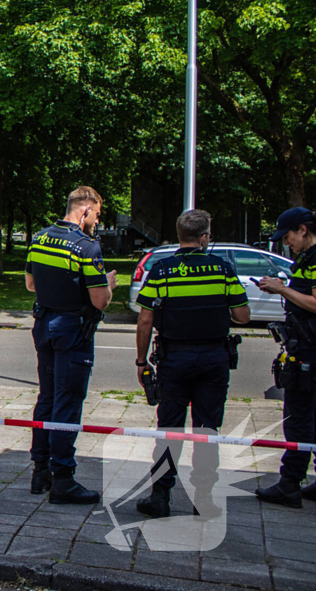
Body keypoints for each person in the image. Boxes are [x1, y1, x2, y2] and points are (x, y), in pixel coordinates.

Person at [133, 209, 251, 518]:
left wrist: (141, 361)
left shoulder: (161, 270)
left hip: (175, 360)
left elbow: (145, 321)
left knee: (169, 429)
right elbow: (242, 316)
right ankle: (204, 498)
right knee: (207, 429)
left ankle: (160, 497)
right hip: (214, 360)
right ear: (203, 238)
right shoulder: (223, 269)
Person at [25, 186, 118, 504]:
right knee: (68, 403)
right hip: (73, 331)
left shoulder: (39, 238)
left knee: (47, 398)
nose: (97, 223)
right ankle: (64, 479)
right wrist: (109, 285)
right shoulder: (85, 247)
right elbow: (99, 301)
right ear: (87, 209)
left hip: (44, 326)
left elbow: (31, 283)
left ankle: (40, 472)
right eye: (98, 216)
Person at [255, 205, 316, 508]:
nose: (286, 242)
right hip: (309, 346)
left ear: (303, 230)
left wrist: (282, 290)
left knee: (298, 416)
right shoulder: (310, 257)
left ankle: (289, 484)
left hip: (312, 348)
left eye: (287, 236)